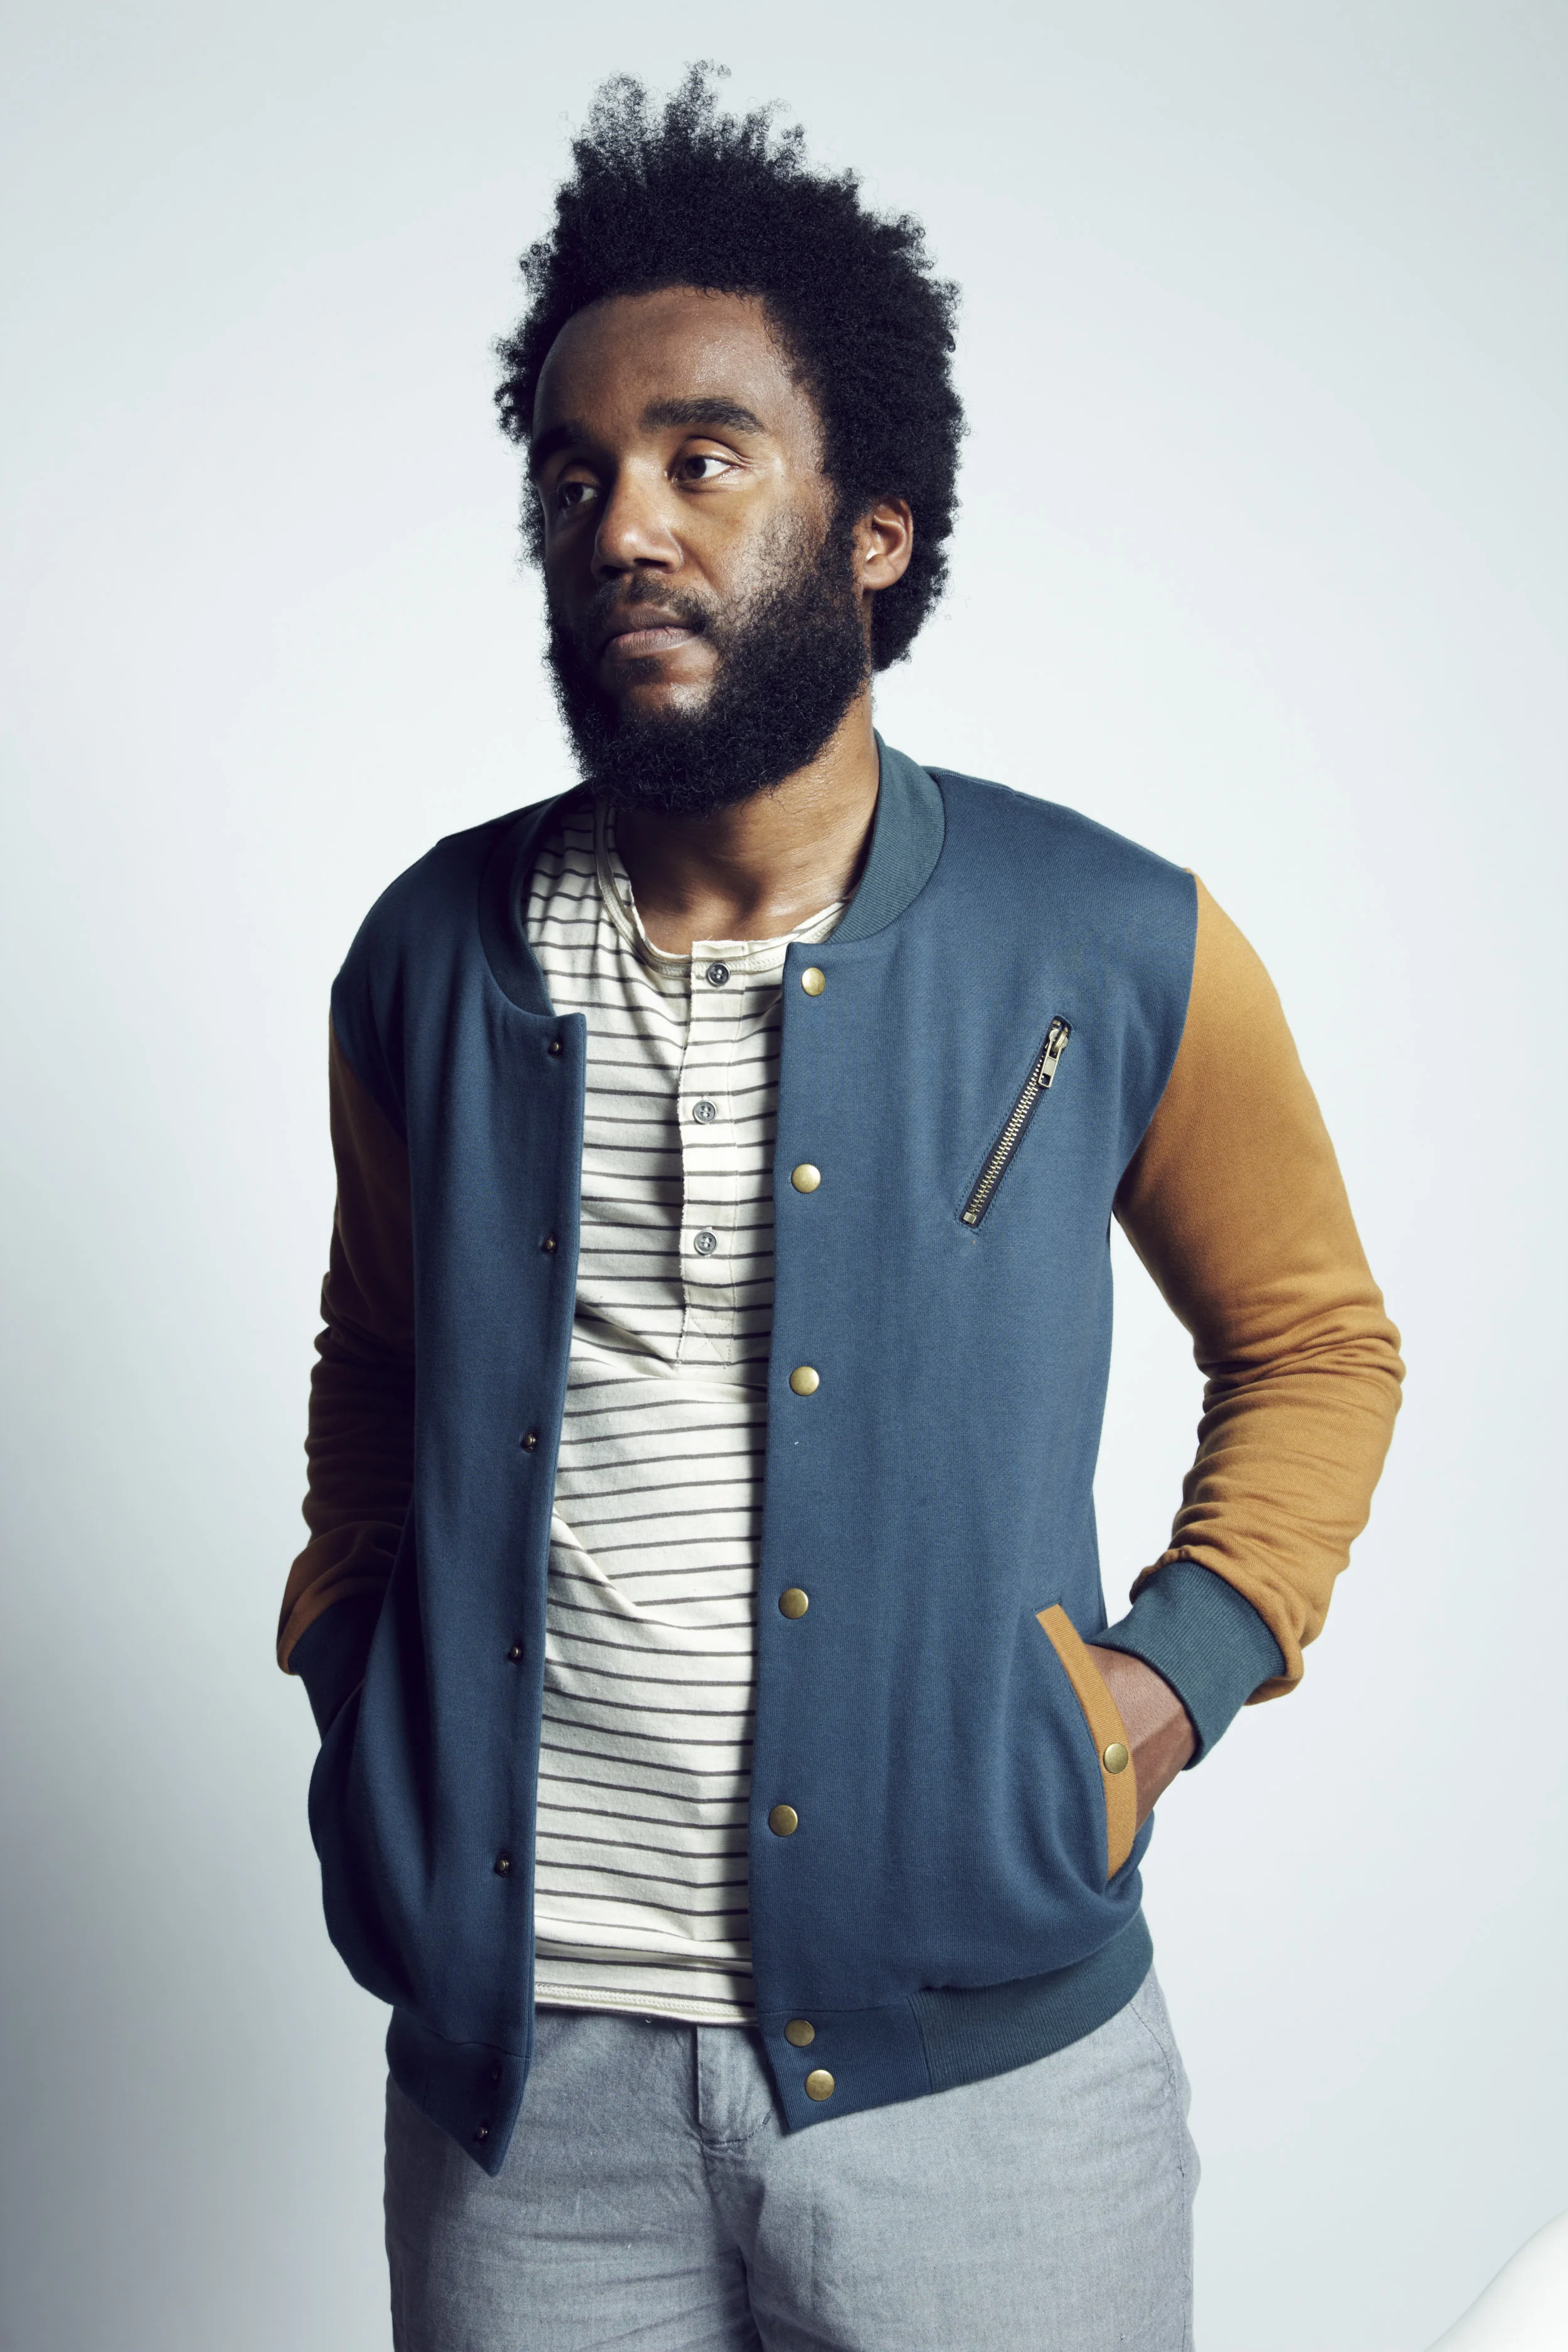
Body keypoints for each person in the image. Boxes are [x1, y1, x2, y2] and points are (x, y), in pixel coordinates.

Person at [277, 68, 1403, 2352]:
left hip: (981, 2092)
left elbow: (1317, 1346)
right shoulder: (427, 952)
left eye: (703, 457)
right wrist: (348, 1661)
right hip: (525, 2102)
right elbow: (376, 1363)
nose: (622, 525)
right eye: (576, 474)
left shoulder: (1111, 942)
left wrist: (1168, 1681)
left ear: (872, 526)